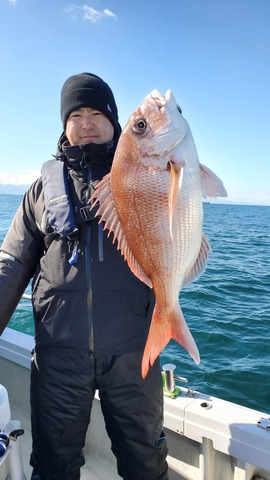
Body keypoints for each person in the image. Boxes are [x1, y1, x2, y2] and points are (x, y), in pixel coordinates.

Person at [0, 73, 169, 480]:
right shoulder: (42, 190)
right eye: (76, 114)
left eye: (97, 112)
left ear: (114, 121)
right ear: (65, 125)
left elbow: (180, 224)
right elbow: (9, 265)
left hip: (134, 355)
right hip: (59, 356)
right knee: (54, 466)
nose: (87, 122)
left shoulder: (145, 174)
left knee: (146, 464)